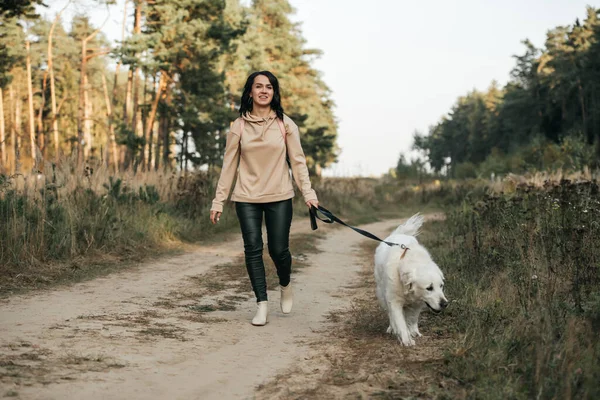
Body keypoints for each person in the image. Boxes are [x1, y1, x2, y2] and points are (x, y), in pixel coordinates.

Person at [210, 71, 319, 326]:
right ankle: (261, 304)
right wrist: (219, 200)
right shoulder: (238, 126)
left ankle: (285, 283)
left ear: (274, 92)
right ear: (250, 92)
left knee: (278, 250)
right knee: (253, 249)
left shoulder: (285, 125)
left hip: (279, 195)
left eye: (268, 87)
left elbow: (298, 162)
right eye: (258, 86)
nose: (263, 91)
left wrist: (309, 193)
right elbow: (229, 166)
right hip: (246, 196)